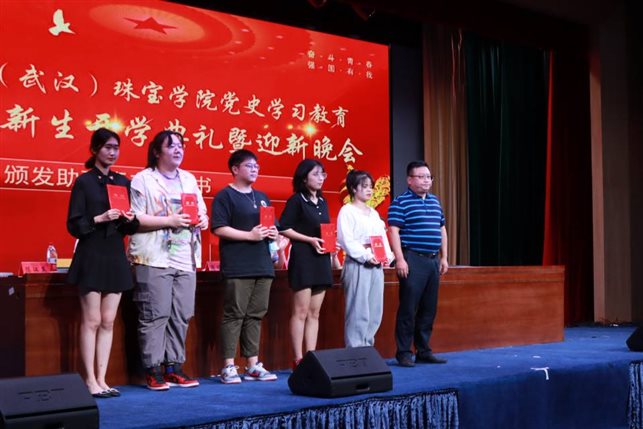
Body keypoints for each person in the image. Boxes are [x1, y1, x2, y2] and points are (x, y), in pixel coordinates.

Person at [128, 130, 208, 390]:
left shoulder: (189, 179)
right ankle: (153, 369)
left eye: (181, 145)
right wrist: (169, 221)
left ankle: (173, 367)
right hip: (154, 256)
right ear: (156, 152)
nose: (178, 149)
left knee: (181, 314)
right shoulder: (143, 179)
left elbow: (201, 210)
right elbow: (135, 219)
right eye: (171, 145)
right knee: (155, 314)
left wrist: (203, 219)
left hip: (185, 256)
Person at [66, 128, 139, 398]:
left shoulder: (122, 182)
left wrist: (129, 218)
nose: (112, 152)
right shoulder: (84, 182)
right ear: (95, 149)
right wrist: (100, 218)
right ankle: (89, 381)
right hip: (92, 253)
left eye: (116, 148)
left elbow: (132, 226)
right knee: (92, 320)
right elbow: (74, 224)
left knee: (108, 321)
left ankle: (102, 379)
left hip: (115, 254)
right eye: (107, 147)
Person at [211, 149, 279, 384]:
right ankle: (228, 366)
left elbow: (272, 226)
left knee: (256, 315)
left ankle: (252, 364)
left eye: (256, 166)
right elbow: (219, 227)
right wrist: (249, 235)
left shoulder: (262, 196)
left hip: (263, 264)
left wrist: (274, 233)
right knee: (234, 314)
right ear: (235, 169)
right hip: (238, 264)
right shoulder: (225, 196)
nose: (254, 169)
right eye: (249, 165)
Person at [387, 160, 449, 367]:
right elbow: (393, 231)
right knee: (408, 307)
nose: (426, 180)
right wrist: (400, 259)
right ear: (409, 180)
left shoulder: (435, 201)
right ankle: (404, 352)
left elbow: (442, 229)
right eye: (421, 177)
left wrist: (444, 257)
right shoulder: (401, 202)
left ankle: (423, 350)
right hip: (412, 258)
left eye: (429, 177)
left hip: (432, 260)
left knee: (428, 308)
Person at [279, 159, 335, 369]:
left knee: (314, 313)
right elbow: (284, 228)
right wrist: (309, 240)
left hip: (321, 259)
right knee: (300, 312)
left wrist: (332, 243)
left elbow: (324, 230)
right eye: (316, 174)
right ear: (304, 178)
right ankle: (298, 359)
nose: (321, 178)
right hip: (303, 258)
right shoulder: (296, 200)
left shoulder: (322, 201)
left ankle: (311, 357)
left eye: (323, 174)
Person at [337, 170, 393, 348]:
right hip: (358, 264)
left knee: (375, 309)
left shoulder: (374, 213)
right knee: (358, 309)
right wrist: (367, 256)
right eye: (365, 186)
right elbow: (346, 240)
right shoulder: (347, 211)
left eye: (371, 187)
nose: (370, 190)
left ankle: (367, 346)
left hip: (376, 265)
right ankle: (355, 349)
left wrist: (387, 256)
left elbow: (382, 238)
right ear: (354, 189)